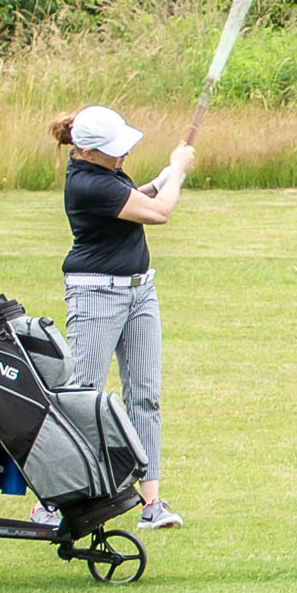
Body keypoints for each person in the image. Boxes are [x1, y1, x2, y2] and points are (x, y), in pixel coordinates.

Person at [51, 105, 191, 530]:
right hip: (95, 296)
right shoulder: (87, 184)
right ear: (88, 151)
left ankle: (151, 503)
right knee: (83, 397)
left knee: (145, 397)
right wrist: (179, 170)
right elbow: (159, 212)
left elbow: (139, 197)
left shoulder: (108, 175)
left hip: (139, 291)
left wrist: (164, 175)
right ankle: (55, 500)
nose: (124, 155)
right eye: (115, 151)